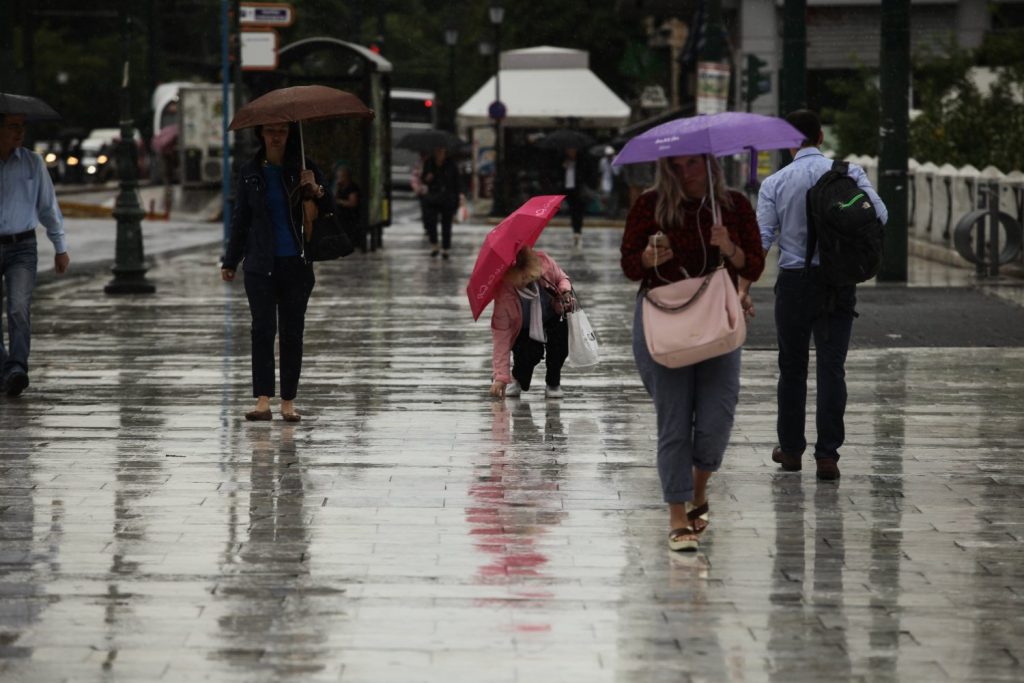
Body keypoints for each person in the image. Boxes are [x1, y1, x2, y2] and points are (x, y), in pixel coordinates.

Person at [620, 154, 765, 551]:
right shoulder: (650, 205)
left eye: (694, 164)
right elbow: (630, 265)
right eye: (677, 166)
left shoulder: (732, 204)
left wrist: (728, 246)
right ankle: (676, 514)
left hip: (716, 317)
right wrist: (647, 259)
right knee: (674, 420)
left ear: (710, 164)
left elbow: (755, 261)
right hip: (663, 321)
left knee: (717, 418)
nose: (687, 172)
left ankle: (698, 487)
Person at [756, 109, 887, 481]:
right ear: (821, 138)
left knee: (792, 368)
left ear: (787, 142)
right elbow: (881, 215)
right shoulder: (848, 174)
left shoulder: (775, 183)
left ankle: (792, 450)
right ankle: (827, 455)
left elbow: (762, 241)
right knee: (833, 368)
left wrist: (740, 285)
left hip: (795, 282)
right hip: (838, 282)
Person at [220, 122, 334, 422]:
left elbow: (330, 208)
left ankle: (288, 401)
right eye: (270, 130)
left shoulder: (305, 168)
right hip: (259, 265)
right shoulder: (250, 171)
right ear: (261, 134)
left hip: (296, 263)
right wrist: (231, 260)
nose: (275, 136)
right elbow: (241, 218)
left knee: (292, 333)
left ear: (289, 135)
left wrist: (316, 189)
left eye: (281, 130)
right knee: (262, 330)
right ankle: (262, 400)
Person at [0, 112, 71, 398]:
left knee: (18, 308)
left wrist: (60, 247)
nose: (20, 133)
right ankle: (4, 368)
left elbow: (48, 207)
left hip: (22, 247)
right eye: (13, 127)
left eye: (23, 127)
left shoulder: (33, 162)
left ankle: (16, 368)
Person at [488, 246, 575, 400]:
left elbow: (563, 278)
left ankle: (553, 383)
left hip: (552, 317)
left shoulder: (545, 263)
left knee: (560, 343)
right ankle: (518, 378)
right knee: (530, 352)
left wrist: (564, 291)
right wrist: (501, 377)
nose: (526, 282)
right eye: (521, 278)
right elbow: (501, 337)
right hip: (523, 328)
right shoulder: (504, 294)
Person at [421, 146, 460, 259]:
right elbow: (423, 178)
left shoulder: (451, 164)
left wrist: (457, 199)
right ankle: (434, 245)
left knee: (446, 224)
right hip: (432, 197)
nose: (439, 153)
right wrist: (427, 178)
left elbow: (456, 182)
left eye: (442, 151)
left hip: (447, 198)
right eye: (437, 151)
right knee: (431, 222)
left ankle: (446, 248)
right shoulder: (429, 162)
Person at [562, 148, 585, 248]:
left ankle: (578, 230)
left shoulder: (581, 162)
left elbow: (586, 174)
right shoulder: (563, 161)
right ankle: (574, 228)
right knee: (572, 210)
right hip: (567, 189)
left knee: (578, 210)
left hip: (578, 189)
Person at [333, 165, 360, 245]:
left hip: (350, 216)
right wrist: (337, 187)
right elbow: (333, 198)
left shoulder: (352, 187)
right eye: (338, 177)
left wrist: (339, 202)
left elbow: (353, 203)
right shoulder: (340, 186)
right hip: (340, 215)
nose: (339, 178)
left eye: (341, 176)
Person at [598, 145, 620, 217]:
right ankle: (607, 212)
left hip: (615, 181)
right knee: (606, 197)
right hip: (606, 180)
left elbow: (617, 172)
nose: (609, 157)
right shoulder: (602, 161)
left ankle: (613, 213)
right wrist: (600, 184)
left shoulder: (617, 159)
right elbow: (601, 172)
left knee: (614, 198)